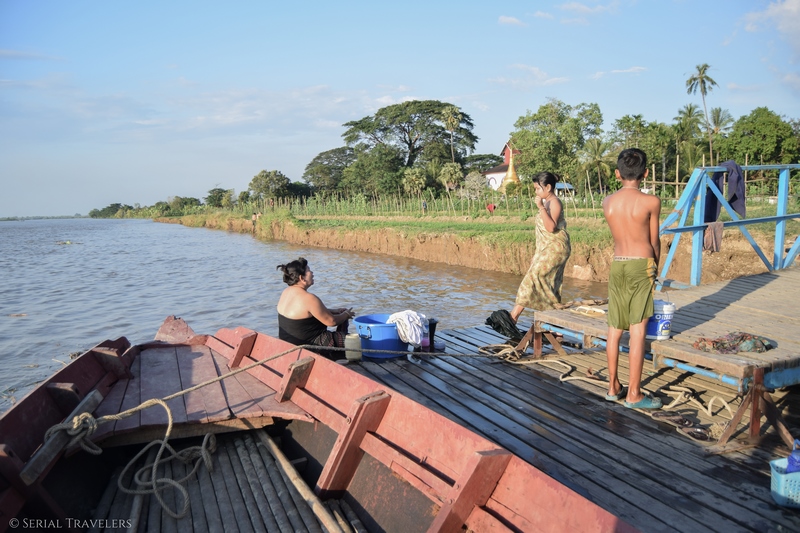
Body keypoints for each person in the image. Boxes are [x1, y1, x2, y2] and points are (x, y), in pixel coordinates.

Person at [602, 148, 662, 409]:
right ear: (645, 173)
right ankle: (634, 394)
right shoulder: (651, 202)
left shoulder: (608, 202)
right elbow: (654, 241)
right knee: (637, 331)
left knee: (614, 328)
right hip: (641, 264)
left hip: (618, 264)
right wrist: (655, 266)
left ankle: (612, 387)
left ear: (618, 174)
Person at [510, 172, 571, 324]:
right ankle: (554, 324)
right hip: (546, 247)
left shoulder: (554, 202)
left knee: (533, 277)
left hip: (556, 247)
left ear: (548, 187)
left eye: (538, 188)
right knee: (550, 284)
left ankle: (513, 316)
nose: (536, 192)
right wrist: (537, 254)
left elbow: (550, 228)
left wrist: (541, 207)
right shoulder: (547, 202)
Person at [276, 257, 355, 360]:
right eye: (309, 270)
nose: (312, 273)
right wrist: (346, 315)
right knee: (354, 341)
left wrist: (334, 311)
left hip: (290, 344)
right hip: (309, 345)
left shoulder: (286, 292)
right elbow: (332, 321)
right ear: (302, 278)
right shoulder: (309, 298)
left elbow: (306, 312)